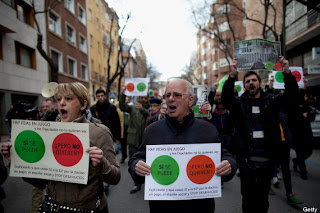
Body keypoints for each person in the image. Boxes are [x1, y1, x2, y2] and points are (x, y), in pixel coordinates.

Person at [1, 82, 120, 212]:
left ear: (83, 104)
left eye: (68, 99)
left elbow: (115, 177)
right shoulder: (49, 133)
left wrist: (101, 163)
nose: (62, 103)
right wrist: (19, 160)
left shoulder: (99, 132)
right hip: (53, 207)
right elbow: (41, 183)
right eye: (59, 99)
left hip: (88, 208)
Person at [128, 79, 237, 213]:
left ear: (191, 100)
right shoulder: (152, 130)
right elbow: (137, 159)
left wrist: (229, 165)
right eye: (167, 95)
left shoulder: (207, 130)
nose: (171, 99)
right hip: (163, 208)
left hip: (200, 207)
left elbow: (225, 156)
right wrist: (137, 166)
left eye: (177, 95)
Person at [221, 56, 298, 213]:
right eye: (247, 81)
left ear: (260, 83)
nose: (251, 83)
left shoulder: (271, 101)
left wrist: (286, 72)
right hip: (246, 160)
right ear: (244, 86)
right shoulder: (238, 103)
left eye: (254, 80)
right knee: (248, 199)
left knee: (263, 199)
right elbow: (226, 98)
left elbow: (291, 95)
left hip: (267, 160)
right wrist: (232, 75)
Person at [264, 76, 302, 205]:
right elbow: (267, 99)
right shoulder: (270, 105)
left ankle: (289, 193)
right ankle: (267, 186)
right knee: (270, 167)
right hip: (272, 143)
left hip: (284, 144)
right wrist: (269, 85)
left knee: (286, 170)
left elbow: (292, 95)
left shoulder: (286, 109)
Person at [90, 89, 121, 193]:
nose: (100, 98)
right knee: (97, 159)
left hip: (109, 136)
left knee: (108, 159)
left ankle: (106, 183)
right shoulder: (93, 108)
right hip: (96, 137)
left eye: (102, 96)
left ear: (105, 96)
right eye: (98, 96)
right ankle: (99, 181)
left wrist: (117, 138)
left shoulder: (111, 107)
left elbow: (116, 122)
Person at [119, 88, 150, 194]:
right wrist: (123, 94)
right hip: (133, 139)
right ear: (139, 98)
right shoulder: (133, 107)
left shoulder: (150, 108)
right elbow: (123, 107)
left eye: (145, 98)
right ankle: (137, 183)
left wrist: (143, 109)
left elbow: (149, 115)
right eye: (141, 98)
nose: (143, 100)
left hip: (145, 140)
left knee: (146, 164)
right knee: (133, 161)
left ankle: (150, 184)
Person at [291, 78, 316, 180]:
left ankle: (296, 161)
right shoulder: (295, 108)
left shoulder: (307, 107)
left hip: (307, 134)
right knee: (300, 153)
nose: (306, 98)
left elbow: (311, 117)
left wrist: (309, 115)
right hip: (297, 135)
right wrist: (302, 116)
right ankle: (303, 172)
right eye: (304, 96)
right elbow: (293, 119)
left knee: (309, 151)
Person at [208, 82, 234, 153]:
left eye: (221, 95)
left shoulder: (228, 106)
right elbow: (210, 99)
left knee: (229, 152)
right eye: (217, 95)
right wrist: (213, 91)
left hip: (228, 136)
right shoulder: (213, 106)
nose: (219, 97)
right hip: (217, 136)